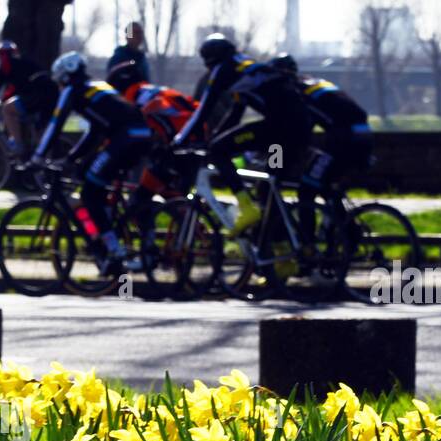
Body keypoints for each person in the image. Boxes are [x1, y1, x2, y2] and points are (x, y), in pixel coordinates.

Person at [171, 34, 313, 235]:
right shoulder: (247, 67)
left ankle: (245, 206)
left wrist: (178, 141)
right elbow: (235, 115)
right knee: (269, 189)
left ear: (210, 60)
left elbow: (203, 110)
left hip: (279, 128)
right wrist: (216, 138)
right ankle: (281, 249)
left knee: (219, 151)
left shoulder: (224, 69)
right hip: (292, 132)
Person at [32, 51, 154, 275]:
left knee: (89, 192)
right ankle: (111, 232)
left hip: (124, 139)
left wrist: (38, 157)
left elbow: (55, 124)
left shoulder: (73, 90)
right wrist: (72, 159)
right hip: (140, 135)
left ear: (65, 77)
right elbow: (95, 132)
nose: (59, 87)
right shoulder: (96, 87)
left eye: (59, 81)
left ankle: (115, 251)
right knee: (89, 175)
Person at [271, 54, 374, 253]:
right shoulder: (313, 82)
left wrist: (276, 161)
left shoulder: (295, 93)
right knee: (325, 184)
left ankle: (307, 246)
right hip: (363, 136)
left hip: (345, 140)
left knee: (306, 189)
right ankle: (346, 233)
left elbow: (296, 134)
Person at [106, 60, 203, 257]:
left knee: (140, 198)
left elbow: (157, 108)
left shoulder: (136, 94)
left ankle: (149, 250)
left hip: (183, 145)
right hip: (195, 141)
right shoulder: (155, 89)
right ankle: (190, 227)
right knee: (167, 189)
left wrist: (141, 114)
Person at [0, 40, 57, 161]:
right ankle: (41, 163)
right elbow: (15, 88)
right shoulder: (24, 62)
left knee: (7, 109)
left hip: (36, 97)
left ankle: (18, 145)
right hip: (51, 96)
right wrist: (4, 98)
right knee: (39, 131)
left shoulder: (7, 64)